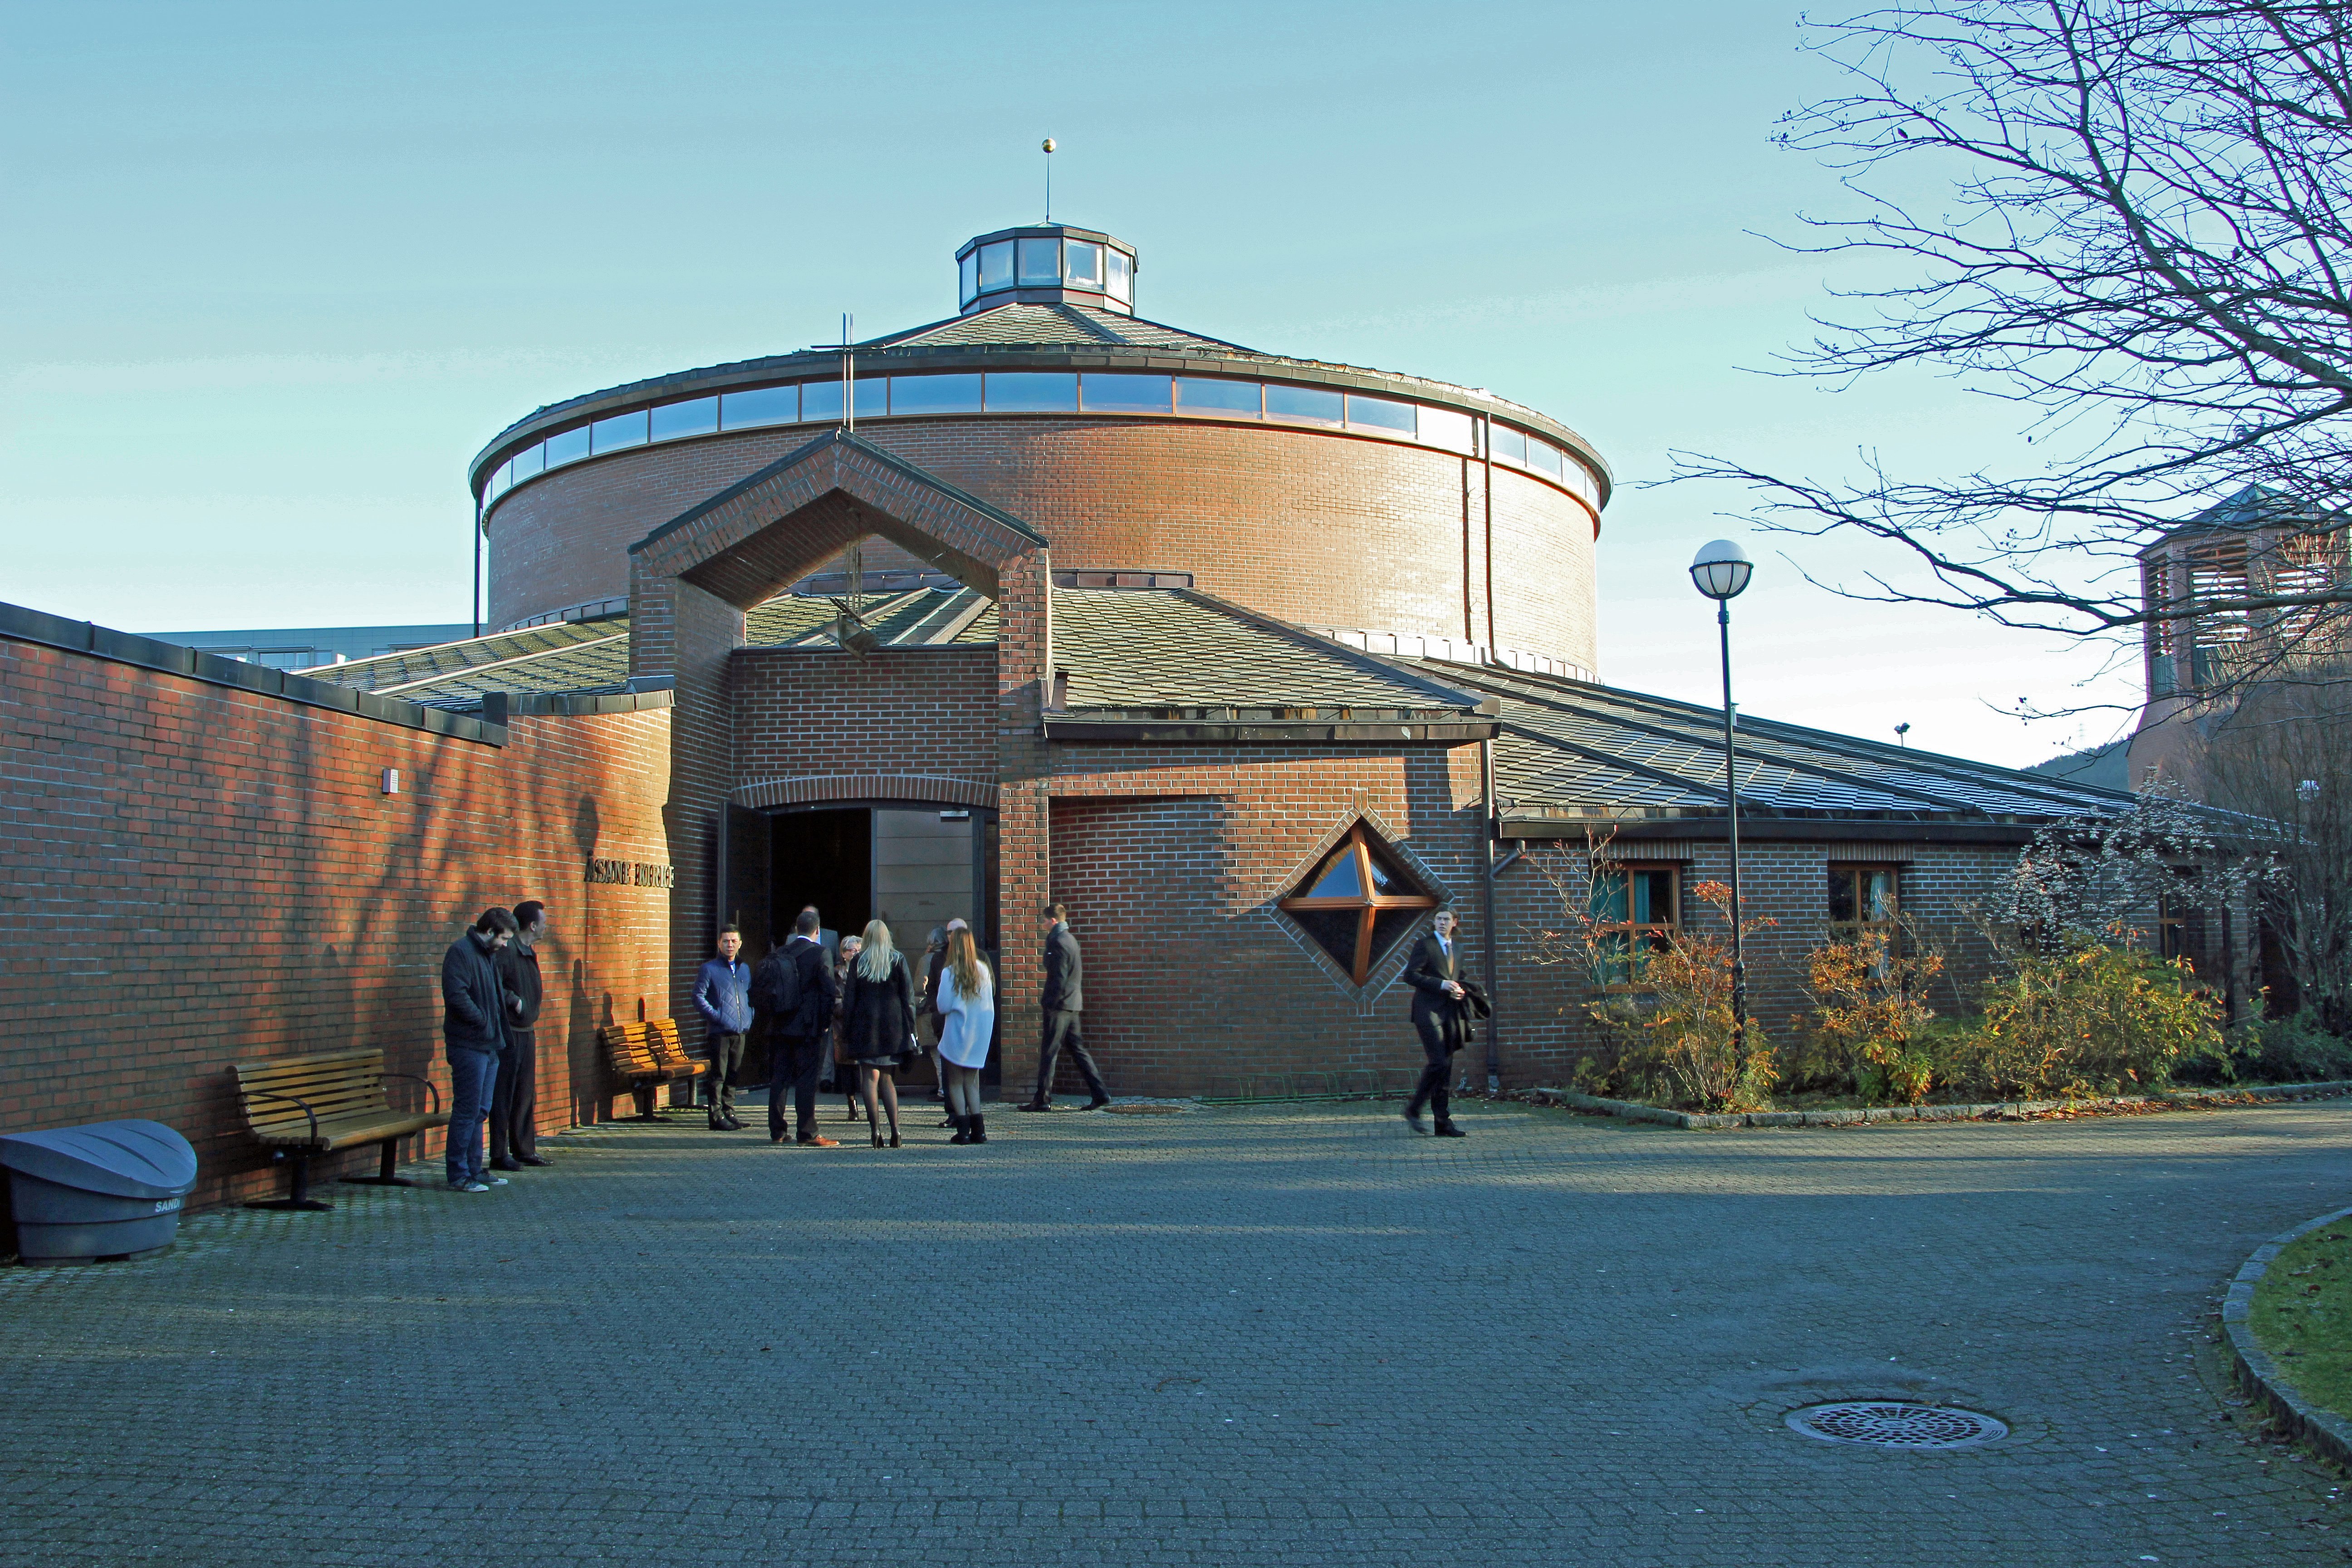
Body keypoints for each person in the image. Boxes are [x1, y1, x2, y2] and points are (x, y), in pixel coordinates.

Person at [440, 907, 519, 1192]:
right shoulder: (461, 953)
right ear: (490, 932)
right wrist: (484, 1021)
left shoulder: (487, 955)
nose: (506, 945)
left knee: (480, 1111)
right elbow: (456, 995)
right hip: (469, 1045)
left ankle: (474, 1169)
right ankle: (459, 1175)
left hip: (489, 1046)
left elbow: (494, 992)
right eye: (504, 938)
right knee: (467, 1110)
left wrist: (503, 1008)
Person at [758, 907, 840, 1147]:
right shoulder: (821, 953)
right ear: (817, 930)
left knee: (780, 1078)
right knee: (806, 1079)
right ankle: (808, 1132)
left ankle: (777, 1131)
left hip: (781, 1025)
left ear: (796, 929)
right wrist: (825, 1024)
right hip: (808, 1028)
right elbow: (828, 991)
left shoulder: (781, 953)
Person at [1021, 902, 1110, 1112]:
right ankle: (1100, 1093)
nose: (1042, 923)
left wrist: (1050, 1004)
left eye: (1044, 920)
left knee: (1050, 1052)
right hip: (1072, 1004)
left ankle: (1042, 1100)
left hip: (1060, 1005)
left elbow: (1058, 978)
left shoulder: (1058, 941)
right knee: (1078, 1049)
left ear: (1053, 920)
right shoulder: (1070, 940)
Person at [840, 919, 918, 1148]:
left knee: (869, 1077)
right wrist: (911, 1028)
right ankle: (896, 1131)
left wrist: (847, 1029)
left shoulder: (858, 961)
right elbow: (908, 997)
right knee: (887, 1078)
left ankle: (875, 1132)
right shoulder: (897, 959)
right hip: (892, 1027)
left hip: (865, 1026)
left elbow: (850, 999)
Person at [489, 899, 551, 1171]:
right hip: (510, 1032)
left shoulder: (527, 951)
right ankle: (500, 1154)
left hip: (527, 1031)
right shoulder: (508, 951)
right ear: (533, 925)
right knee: (504, 1094)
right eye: (544, 923)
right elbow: (493, 984)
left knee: (525, 1094)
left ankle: (524, 1149)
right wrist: (513, 1000)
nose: (546, 927)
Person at [1401, 908, 1472, 1137]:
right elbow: (1411, 975)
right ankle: (1414, 1109)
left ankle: (1443, 1123)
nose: (1442, 923)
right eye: (1438, 919)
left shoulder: (1458, 948)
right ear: (1434, 922)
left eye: (1446, 919)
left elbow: (1458, 977)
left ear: (1455, 922)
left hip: (1450, 1012)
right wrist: (1441, 985)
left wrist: (1460, 990)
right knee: (1439, 1062)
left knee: (1446, 1067)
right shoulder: (1425, 945)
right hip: (1427, 1012)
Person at [936, 926, 996, 1145]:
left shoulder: (949, 972)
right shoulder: (983, 969)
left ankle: (962, 1130)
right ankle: (979, 1131)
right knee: (972, 1082)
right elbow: (989, 1004)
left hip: (956, 1032)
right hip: (978, 1034)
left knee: (955, 1082)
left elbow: (943, 1006)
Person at [692, 926, 754, 1132]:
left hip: (740, 1029)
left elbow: (749, 996)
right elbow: (698, 997)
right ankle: (716, 1116)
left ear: (740, 944)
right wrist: (717, 1017)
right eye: (726, 941)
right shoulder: (709, 969)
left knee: (733, 1074)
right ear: (719, 944)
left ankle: (729, 1111)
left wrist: (750, 1015)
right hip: (720, 1032)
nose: (730, 945)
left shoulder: (744, 968)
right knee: (718, 1075)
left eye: (734, 941)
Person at [832, 935, 865, 1123]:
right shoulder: (838, 974)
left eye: (859, 950)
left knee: (867, 1068)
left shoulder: (867, 972)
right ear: (844, 954)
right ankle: (852, 1104)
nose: (856, 954)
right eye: (852, 950)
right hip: (844, 1026)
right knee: (848, 1069)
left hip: (864, 1026)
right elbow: (836, 1003)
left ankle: (870, 1104)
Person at [919, 926, 951, 1109]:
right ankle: (944, 1088)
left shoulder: (927, 960)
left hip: (930, 1013)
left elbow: (919, 986)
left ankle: (942, 1090)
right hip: (945, 1013)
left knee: (937, 1054)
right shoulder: (949, 958)